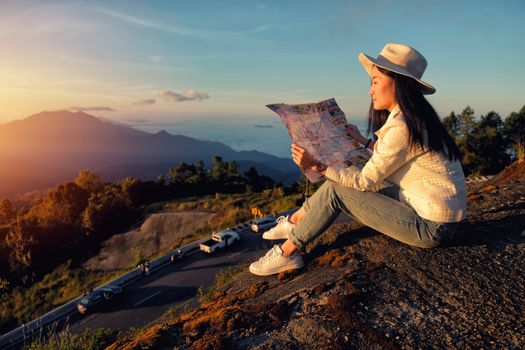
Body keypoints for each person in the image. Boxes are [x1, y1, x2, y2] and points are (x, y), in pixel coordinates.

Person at [249, 43, 467, 276]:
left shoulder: (402, 126)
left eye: (374, 81)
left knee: (338, 192)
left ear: (398, 83)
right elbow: (394, 157)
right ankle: (295, 220)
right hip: (422, 205)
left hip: (431, 226)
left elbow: (364, 182)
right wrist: (363, 142)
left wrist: (317, 166)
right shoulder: (413, 118)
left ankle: (287, 253)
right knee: (338, 182)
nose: (370, 90)